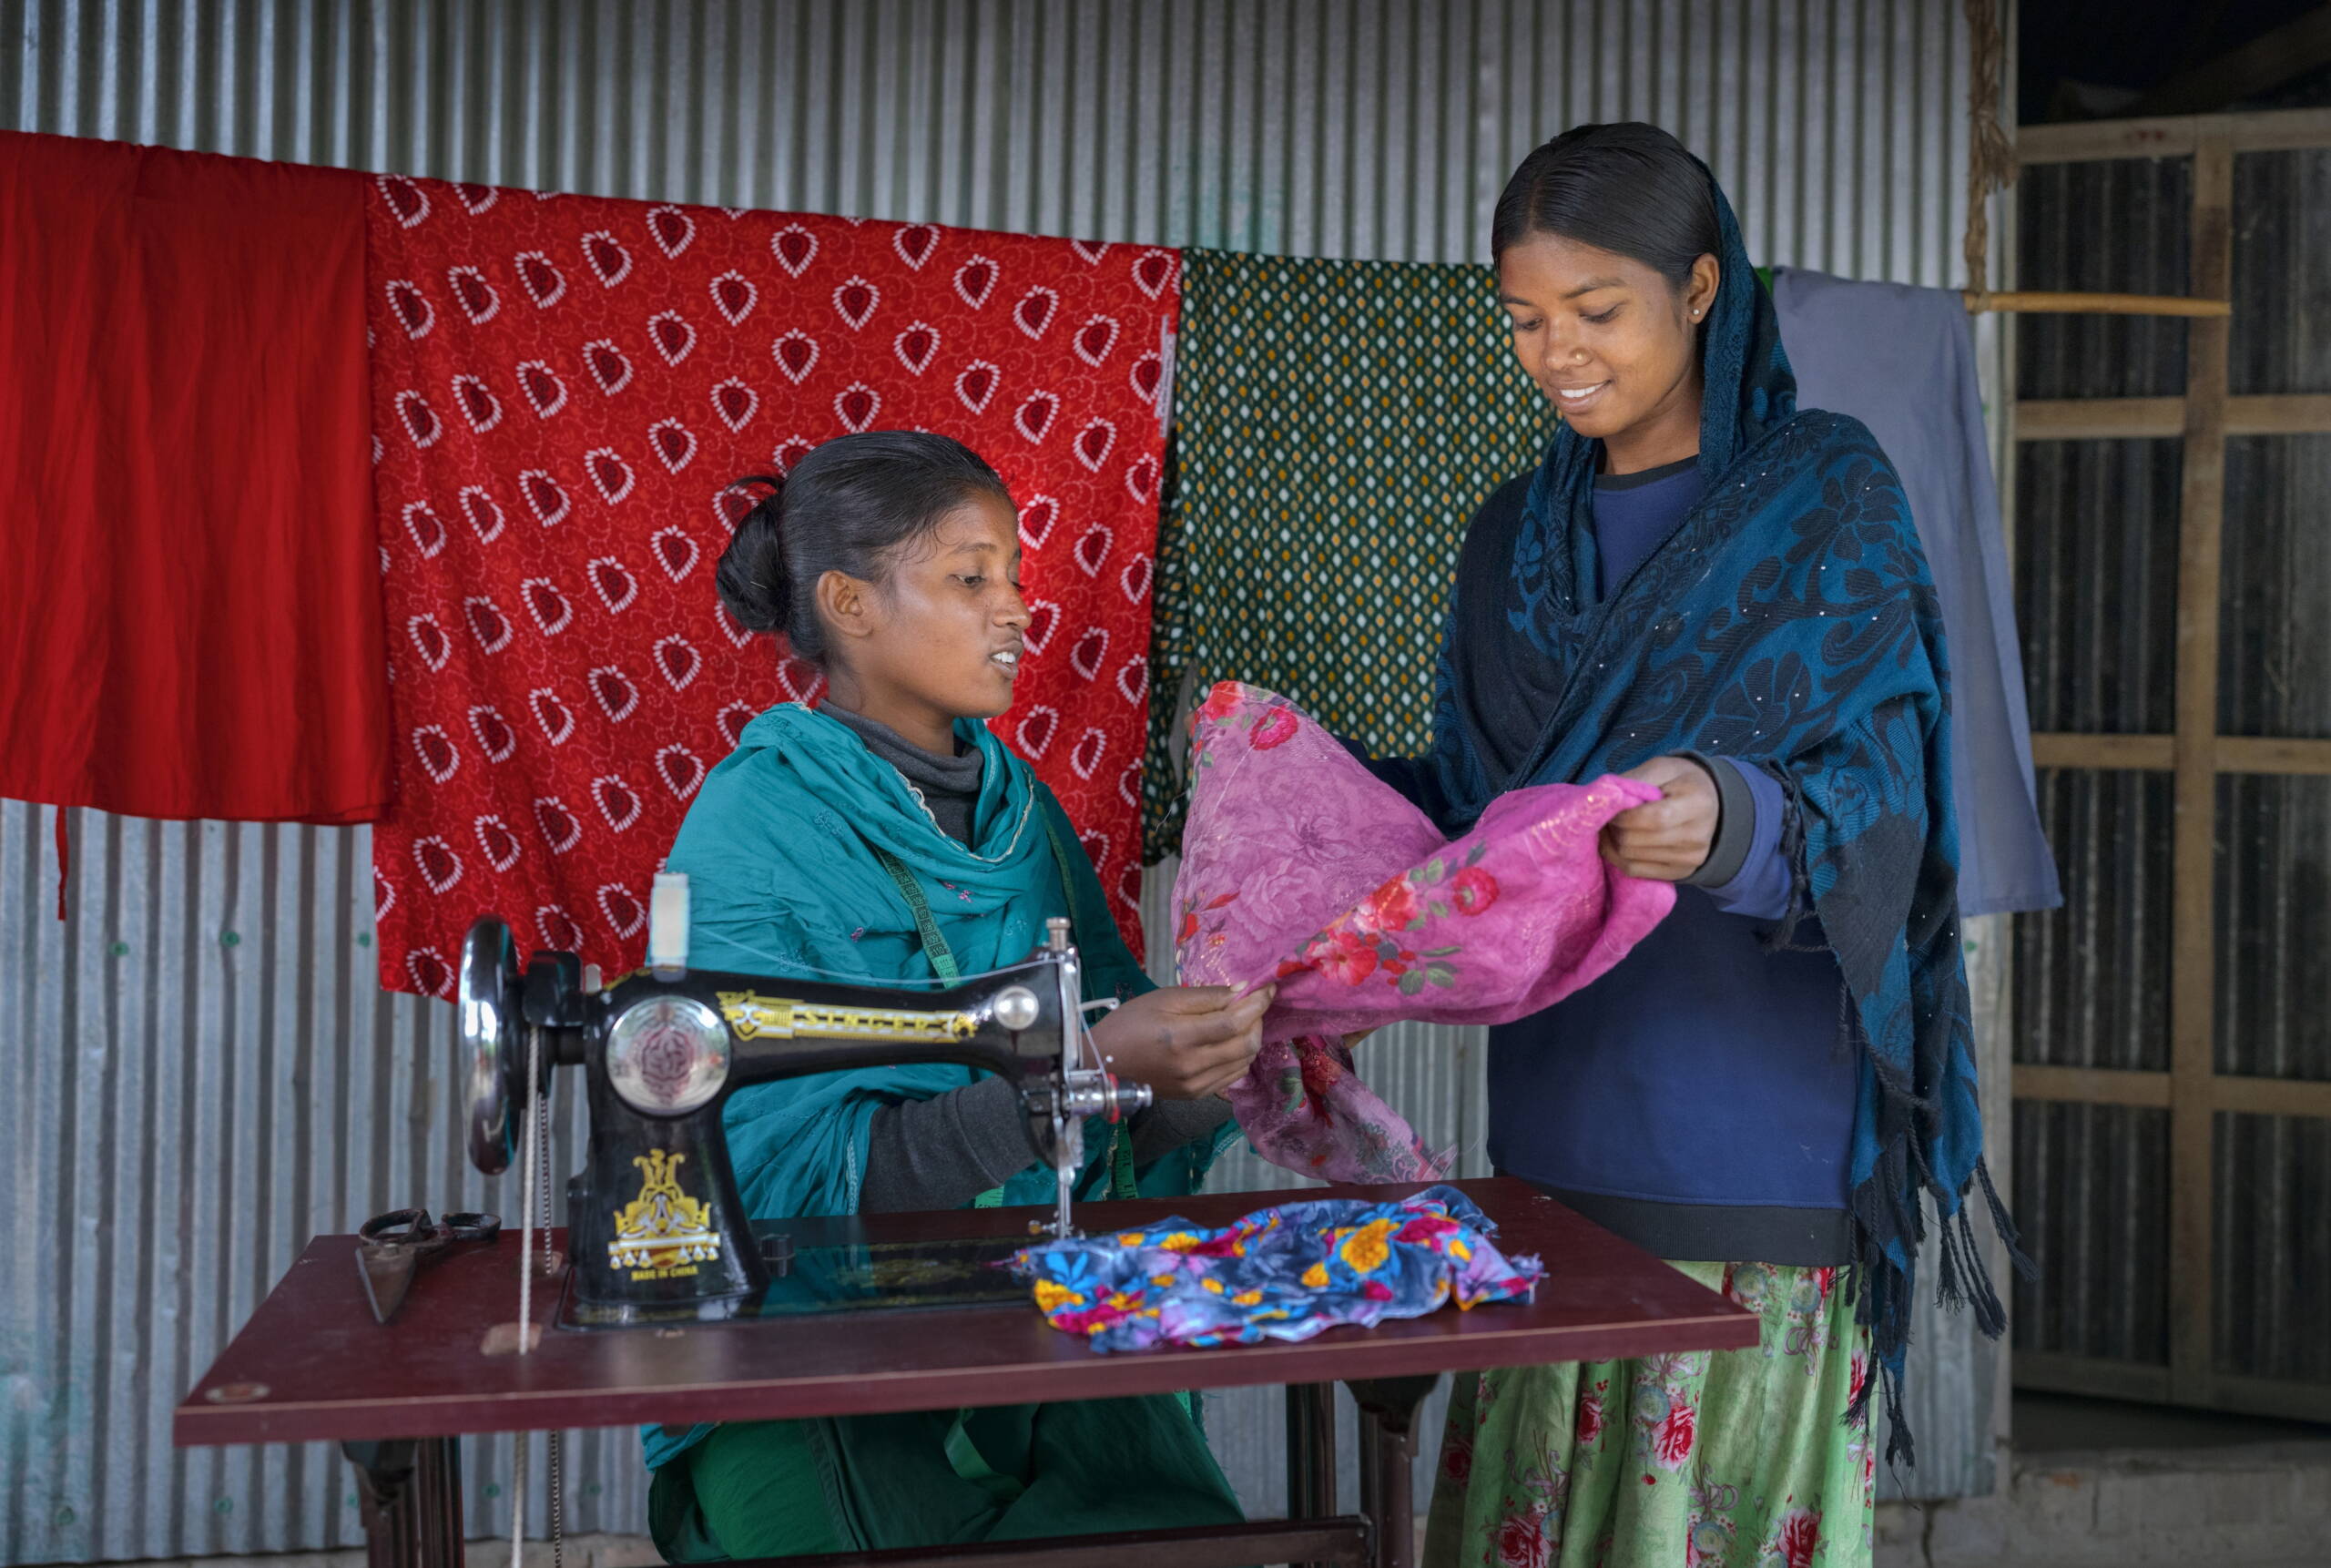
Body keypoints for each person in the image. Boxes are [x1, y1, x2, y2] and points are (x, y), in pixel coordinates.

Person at [1346, 124, 2021, 1568]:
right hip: (1554, 1138)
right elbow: (1485, 810)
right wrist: (1303, 811)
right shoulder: (1507, 541)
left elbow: (1891, 803)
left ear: (1702, 286)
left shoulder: (1824, 499)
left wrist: (1738, 815)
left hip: (1754, 1145)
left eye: (1598, 312)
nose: (1556, 353)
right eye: (1525, 319)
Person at [642, 430, 1267, 1559]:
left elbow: (1125, 1131)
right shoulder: (752, 828)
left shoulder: (1022, 819)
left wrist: (1228, 1062)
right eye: (969, 579)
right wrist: (1089, 1068)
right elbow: (762, 1177)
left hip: (1025, 1315)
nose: (1016, 609)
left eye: (1014, 579)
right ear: (850, 603)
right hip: (800, 1345)